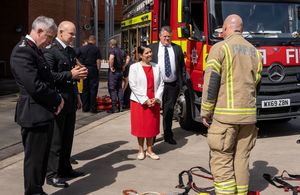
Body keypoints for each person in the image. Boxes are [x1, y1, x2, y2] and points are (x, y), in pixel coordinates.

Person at [200, 14, 262, 195]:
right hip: (249, 118)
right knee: (242, 159)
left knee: (222, 159)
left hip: (225, 117)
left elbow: (212, 82)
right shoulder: (255, 52)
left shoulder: (220, 48)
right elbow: (257, 84)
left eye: (222, 30)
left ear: (226, 28)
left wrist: (206, 110)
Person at [10, 16, 64, 195]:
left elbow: (47, 78)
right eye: (49, 37)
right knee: (34, 159)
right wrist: (57, 99)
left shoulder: (35, 49)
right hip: (33, 112)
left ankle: (37, 190)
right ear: (39, 31)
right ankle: (33, 192)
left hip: (42, 111)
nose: (49, 41)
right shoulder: (23, 51)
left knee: (41, 157)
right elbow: (35, 86)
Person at [43, 21, 88, 188]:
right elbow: (49, 76)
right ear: (60, 32)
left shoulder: (70, 51)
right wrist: (71, 73)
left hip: (69, 99)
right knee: (56, 139)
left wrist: (77, 96)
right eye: (71, 34)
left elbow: (72, 79)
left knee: (68, 137)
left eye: (74, 34)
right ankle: (52, 174)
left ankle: (65, 168)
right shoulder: (50, 51)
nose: (73, 37)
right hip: (58, 101)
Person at [149, 26, 186, 145]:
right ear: (159, 36)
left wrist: (182, 83)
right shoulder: (152, 48)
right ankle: (152, 136)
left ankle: (168, 135)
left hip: (172, 85)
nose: (167, 39)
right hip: (156, 85)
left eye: (169, 37)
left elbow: (182, 67)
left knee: (169, 111)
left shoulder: (177, 49)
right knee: (154, 111)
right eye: (164, 36)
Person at [129, 45, 164, 160]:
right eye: (147, 53)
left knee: (151, 126)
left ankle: (149, 150)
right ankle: (140, 150)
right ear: (140, 55)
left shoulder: (156, 67)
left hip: (154, 101)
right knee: (141, 126)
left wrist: (156, 98)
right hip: (139, 102)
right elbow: (133, 85)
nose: (150, 55)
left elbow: (161, 84)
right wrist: (145, 100)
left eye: (150, 52)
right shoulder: (134, 67)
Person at [76, 35, 102, 113]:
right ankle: (93, 108)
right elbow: (98, 61)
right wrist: (98, 70)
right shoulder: (96, 49)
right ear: (94, 40)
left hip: (84, 69)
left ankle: (85, 108)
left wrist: (80, 65)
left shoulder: (81, 48)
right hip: (93, 69)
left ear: (88, 40)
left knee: (85, 89)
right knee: (93, 89)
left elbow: (74, 57)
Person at [107, 38, 126, 113]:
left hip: (114, 72)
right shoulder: (121, 51)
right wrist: (124, 66)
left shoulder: (112, 50)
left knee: (112, 89)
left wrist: (111, 67)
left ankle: (114, 108)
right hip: (120, 72)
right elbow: (127, 58)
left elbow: (111, 58)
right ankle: (121, 106)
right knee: (119, 88)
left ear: (111, 44)